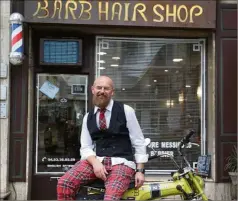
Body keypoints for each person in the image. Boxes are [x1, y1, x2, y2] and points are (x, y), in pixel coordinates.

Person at [57, 76, 148, 200]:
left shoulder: (126, 111)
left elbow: (138, 142)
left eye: (106, 88)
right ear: (93, 89)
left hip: (122, 163)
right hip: (97, 161)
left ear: (112, 92)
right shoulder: (88, 117)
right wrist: (95, 164)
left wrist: (140, 171)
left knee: (110, 198)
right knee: (64, 183)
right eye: (99, 87)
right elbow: (86, 147)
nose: (102, 91)